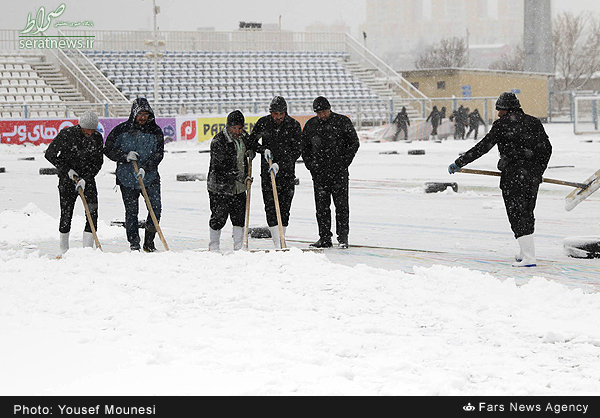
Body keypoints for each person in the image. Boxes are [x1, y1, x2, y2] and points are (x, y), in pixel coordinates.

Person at [448, 92, 552, 267]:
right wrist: (537, 170)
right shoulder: (534, 122)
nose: (497, 114)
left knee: (517, 214)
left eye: (499, 110)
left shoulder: (502, 125)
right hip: (532, 177)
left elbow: (483, 147)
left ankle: (528, 257)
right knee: (527, 212)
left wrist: (460, 162)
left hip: (513, 177)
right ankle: (524, 252)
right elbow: (547, 149)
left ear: (506, 109)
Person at [104, 98, 165, 252]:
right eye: (140, 114)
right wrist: (124, 156)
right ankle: (134, 243)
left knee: (155, 209)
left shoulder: (155, 131)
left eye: (146, 114)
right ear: (134, 114)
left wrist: (146, 168)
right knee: (131, 212)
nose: (143, 117)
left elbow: (159, 154)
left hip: (150, 178)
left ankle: (149, 242)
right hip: (127, 179)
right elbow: (108, 149)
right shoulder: (121, 130)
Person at [301, 96, 360, 248]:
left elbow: (354, 142)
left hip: (339, 173)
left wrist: (344, 162)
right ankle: (324, 237)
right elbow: (305, 148)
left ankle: (343, 238)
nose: (322, 115)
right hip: (319, 174)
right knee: (321, 208)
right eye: (319, 113)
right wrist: (311, 166)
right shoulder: (311, 125)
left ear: (329, 109)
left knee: (341, 207)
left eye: (324, 112)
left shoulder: (342, 122)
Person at [45, 111, 104, 254]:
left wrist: (86, 178)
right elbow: (50, 154)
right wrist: (67, 171)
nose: (90, 132)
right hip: (67, 180)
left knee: (92, 213)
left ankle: (88, 249)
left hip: (88, 180)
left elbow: (98, 162)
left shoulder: (97, 138)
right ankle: (63, 249)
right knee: (66, 213)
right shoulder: (67, 134)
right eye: (87, 129)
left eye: (92, 129)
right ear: (81, 126)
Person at [247, 96, 302, 248]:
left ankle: (282, 239)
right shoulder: (263, 123)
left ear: (285, 112)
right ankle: (277, 243)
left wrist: (281, 164)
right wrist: (262, 150)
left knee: (284, 208)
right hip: (267, 173)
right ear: (271, 112)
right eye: (275, 114)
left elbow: (297, 150)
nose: (278, 117)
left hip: (287, 174)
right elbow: (251, 141)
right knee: (270, 207)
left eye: (281, 114)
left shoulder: (293, 125)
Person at [206, 109, 254, 252]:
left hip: (239, 187)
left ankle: (239, 246)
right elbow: (222, 166)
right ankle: (214, 246)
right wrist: (241, 177)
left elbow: (252, 145)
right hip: (219, 186)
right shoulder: (218, 141)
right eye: (234, 128)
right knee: (219, 218)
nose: (237, 131)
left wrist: (251, 151)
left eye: (240, 128)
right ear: (228, 127)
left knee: (239, 217)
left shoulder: (243, 137)